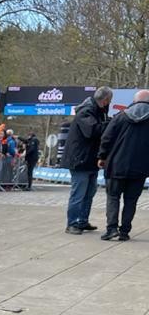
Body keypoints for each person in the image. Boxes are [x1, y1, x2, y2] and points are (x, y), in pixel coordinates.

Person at [97, 90, 149, 241]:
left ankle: (111, 229)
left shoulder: (121, 116)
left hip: (116, 165)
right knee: (131, 200)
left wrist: (102, 156)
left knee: (113, 197)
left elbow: (106, 138)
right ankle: (125, 231)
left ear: (135, 101)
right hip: (140, 168)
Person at [61, 87, 113, 234]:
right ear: (106, 100)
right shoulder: (86, 111)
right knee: (78, 193)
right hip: (80, 159)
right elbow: (92, 131)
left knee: (89, 192)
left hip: (89, 159)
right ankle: (72, 223)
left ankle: (82, 221)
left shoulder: (97, 111)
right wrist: (111, 123)